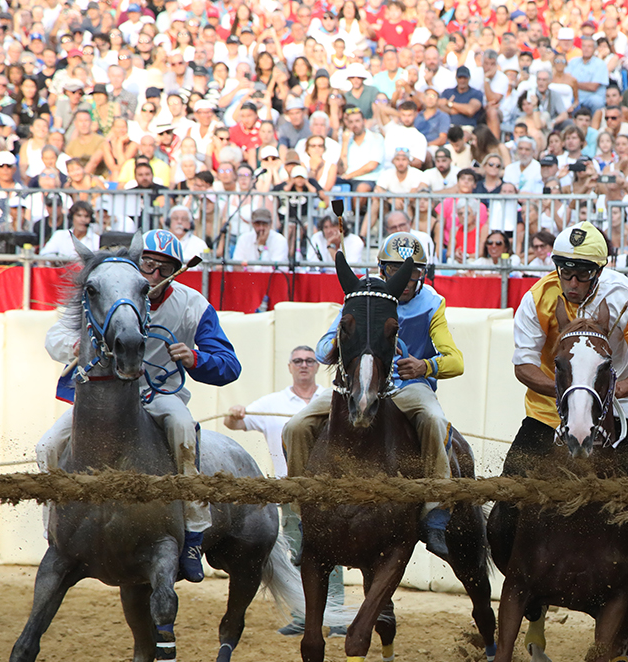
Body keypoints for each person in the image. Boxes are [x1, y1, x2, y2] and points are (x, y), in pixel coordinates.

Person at [37, 230, 241, 583]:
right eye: (148, 264)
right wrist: (72, 344)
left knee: (182, 430)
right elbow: (55, 335)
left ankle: (193, 533)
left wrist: (196, 358)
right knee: (46, 446)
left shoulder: (194, 304)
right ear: (136, 263)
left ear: (176, 270)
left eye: (165, 268)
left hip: (160, 397)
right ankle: (56, 531)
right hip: (103, 403)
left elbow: (229, 364)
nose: (155, 274)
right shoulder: (105, 289)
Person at [495, 220, 628, 613]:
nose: (571, 283)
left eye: (582, 275)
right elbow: (524, 365)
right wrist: (571, 398)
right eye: (565, 273)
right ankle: (513, 575)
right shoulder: (536, 297)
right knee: (506, 502)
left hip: (618, 416)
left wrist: (607, 394)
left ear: (600, 271)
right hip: (546, 414)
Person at [281, 233, 463, 557]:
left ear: (423, 273)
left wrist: (425, 365)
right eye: (394, 270)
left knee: (435, 420)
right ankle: (300, 511)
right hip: (355, 386)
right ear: (382, 269)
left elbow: (456, 361)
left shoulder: (433, 303)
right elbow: (324, 348)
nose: (404, 280)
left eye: (412, 271)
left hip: (409, 388)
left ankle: (436, 512)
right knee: (294, 427)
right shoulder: (360, 296)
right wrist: (339, 341)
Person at [222, 346, 344, 637]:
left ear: (317, 366)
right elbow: (234, 423)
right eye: (298, 361)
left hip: (327, 493)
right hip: (290, 493)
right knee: (297, 555)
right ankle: (303, 618)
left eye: (309, 361)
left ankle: (337, 619)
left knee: (332, 556)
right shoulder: (273, 401)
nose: (304, 365)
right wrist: (234, 413)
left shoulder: (333, 399)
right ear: (290, 366)